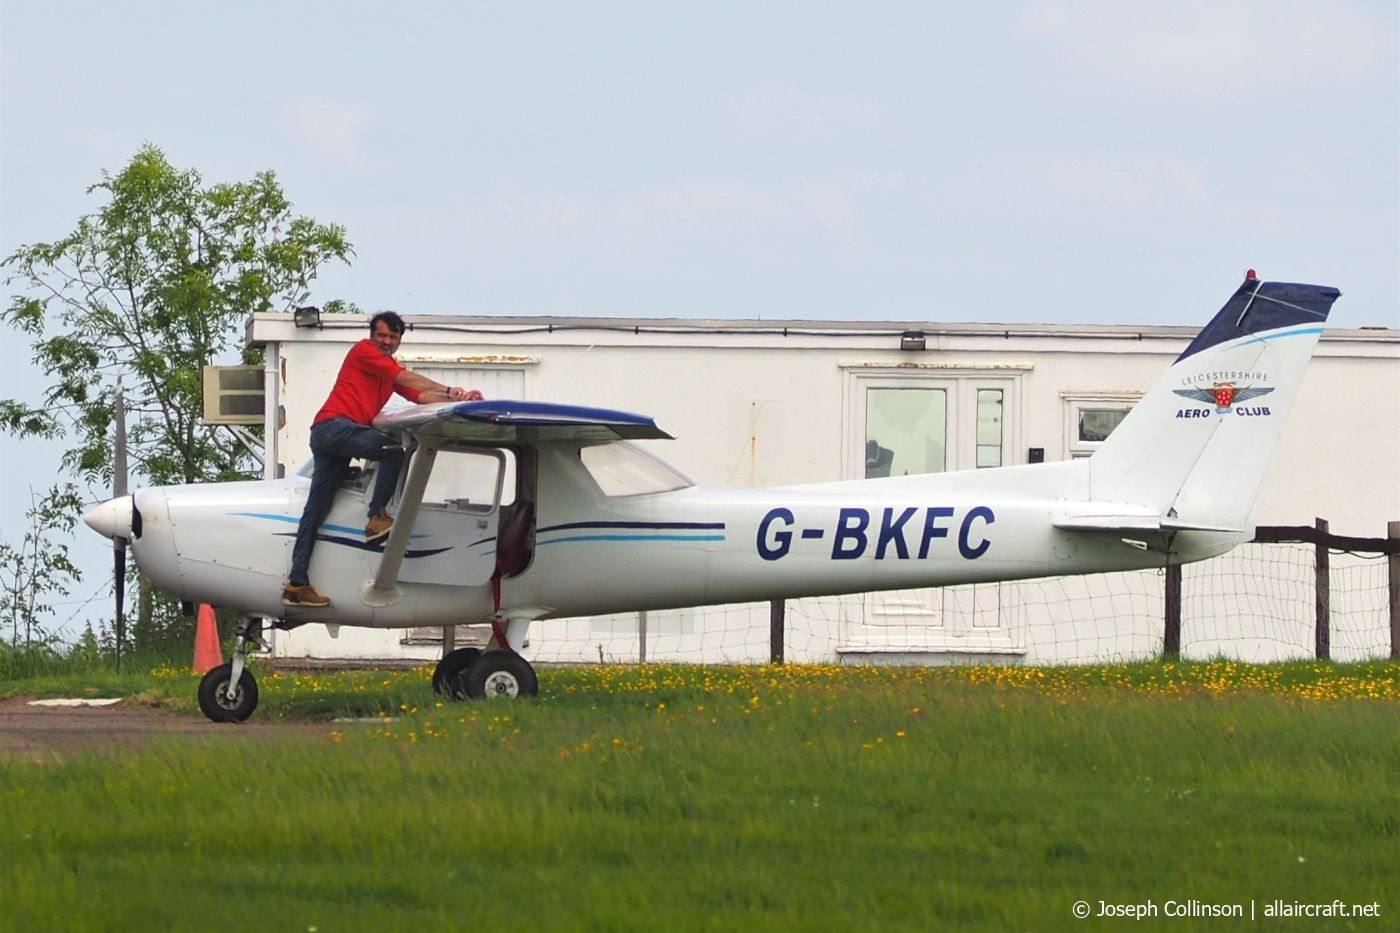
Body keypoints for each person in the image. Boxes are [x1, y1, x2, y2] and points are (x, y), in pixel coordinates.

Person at [282, 311, 483, 607]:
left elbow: (420, 396)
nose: (386, 341)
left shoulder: (387, 372)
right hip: (334, 427)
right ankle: (377, 516)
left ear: (399, 340)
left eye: (392, 337)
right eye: (382, 335)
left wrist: (459, 400)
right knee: (391, 452)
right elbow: (406, 377)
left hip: (331, 437)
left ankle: (297, 584)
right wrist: (449, 389)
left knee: (316, 511)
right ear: (372, 335)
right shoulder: (363, 351)